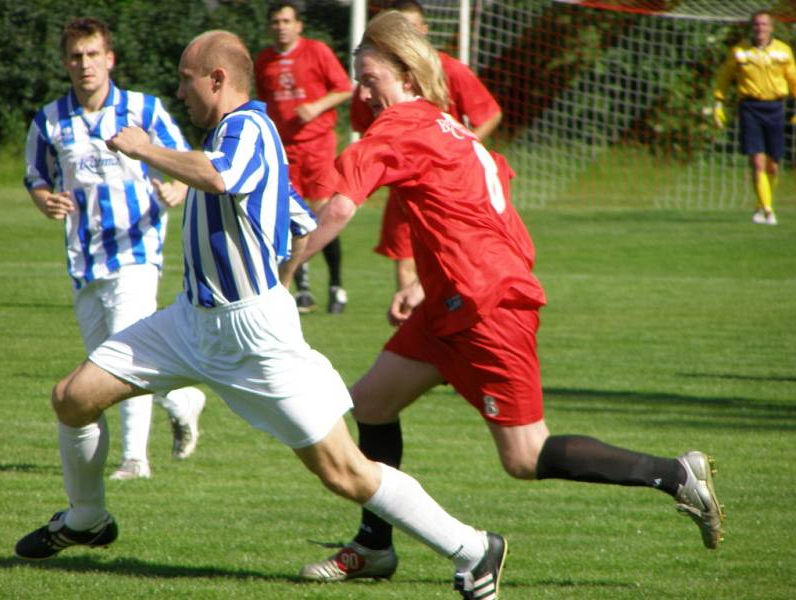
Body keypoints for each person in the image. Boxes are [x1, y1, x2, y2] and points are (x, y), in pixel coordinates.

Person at [14, 29, 508, 600]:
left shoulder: (249, 125)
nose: (180, 90)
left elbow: (220, 176)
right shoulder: (227, 133)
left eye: (185, 78)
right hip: (188, 322)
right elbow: (288, 211)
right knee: (73, 397)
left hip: (253, 336)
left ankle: (474, 549)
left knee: (344, 472)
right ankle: (86, 519)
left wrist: (144, 147)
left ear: (217, 79)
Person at [297, 10, 726, 583]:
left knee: (524, 457)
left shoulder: (400, 129)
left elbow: (342, 206)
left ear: (408, 75)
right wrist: (427, 283)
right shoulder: (449, 129)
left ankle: (676, 475)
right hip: (453, 303)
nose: (362, 89)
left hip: (485, 310)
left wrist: (285, 269)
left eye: (370, 77)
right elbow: (490, 222)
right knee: (372, 403)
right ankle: (375, 545)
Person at [23, 17, 205, 481]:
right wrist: (47, 200)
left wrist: (176, 191)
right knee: (106, 365)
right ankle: (182, 398)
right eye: (76, 56)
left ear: (110, 59)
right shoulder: (50, 120)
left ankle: (134, 460)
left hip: (137, 253)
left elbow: (186, 161)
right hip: (85, 259)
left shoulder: (142, 110)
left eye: (93, 55)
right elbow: (36, 175)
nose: (85, 65)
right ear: (66, 62)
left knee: (125, 355)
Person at [350, 0, 503, 292]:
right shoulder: (378, 83)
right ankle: (412, 318)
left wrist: (461, 151)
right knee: (406, 258)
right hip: (405, 185)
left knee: (449, 258)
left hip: (448, 189)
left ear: (424, 30)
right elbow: (366, 127)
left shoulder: (452, 70)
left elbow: (490, 113)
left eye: (409, 28)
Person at [254, 0, 352, 313]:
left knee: (321, 214)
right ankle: (302, 290)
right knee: (288, 217)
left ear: (298, 25)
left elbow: (344, 88)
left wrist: (317, 106)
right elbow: (263, 100)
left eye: (287, 21)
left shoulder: (317, 51)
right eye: (276, 22)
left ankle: (336, 286)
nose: (281, 26)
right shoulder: (264, 60)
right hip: (284, 149)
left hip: (318, 144)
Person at [713, 9, 796, 226]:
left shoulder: (783, 52)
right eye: (757, 24)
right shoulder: (740, 51)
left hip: (776, 107)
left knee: (773, 164)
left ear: (771, 28)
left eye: (764, 25)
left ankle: (761, 205)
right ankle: (768, 210)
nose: (760, 28)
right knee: (757, 161)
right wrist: (718, 103)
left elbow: (794, 80)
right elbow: (724, 77)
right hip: (750, 107)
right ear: (752, 27)